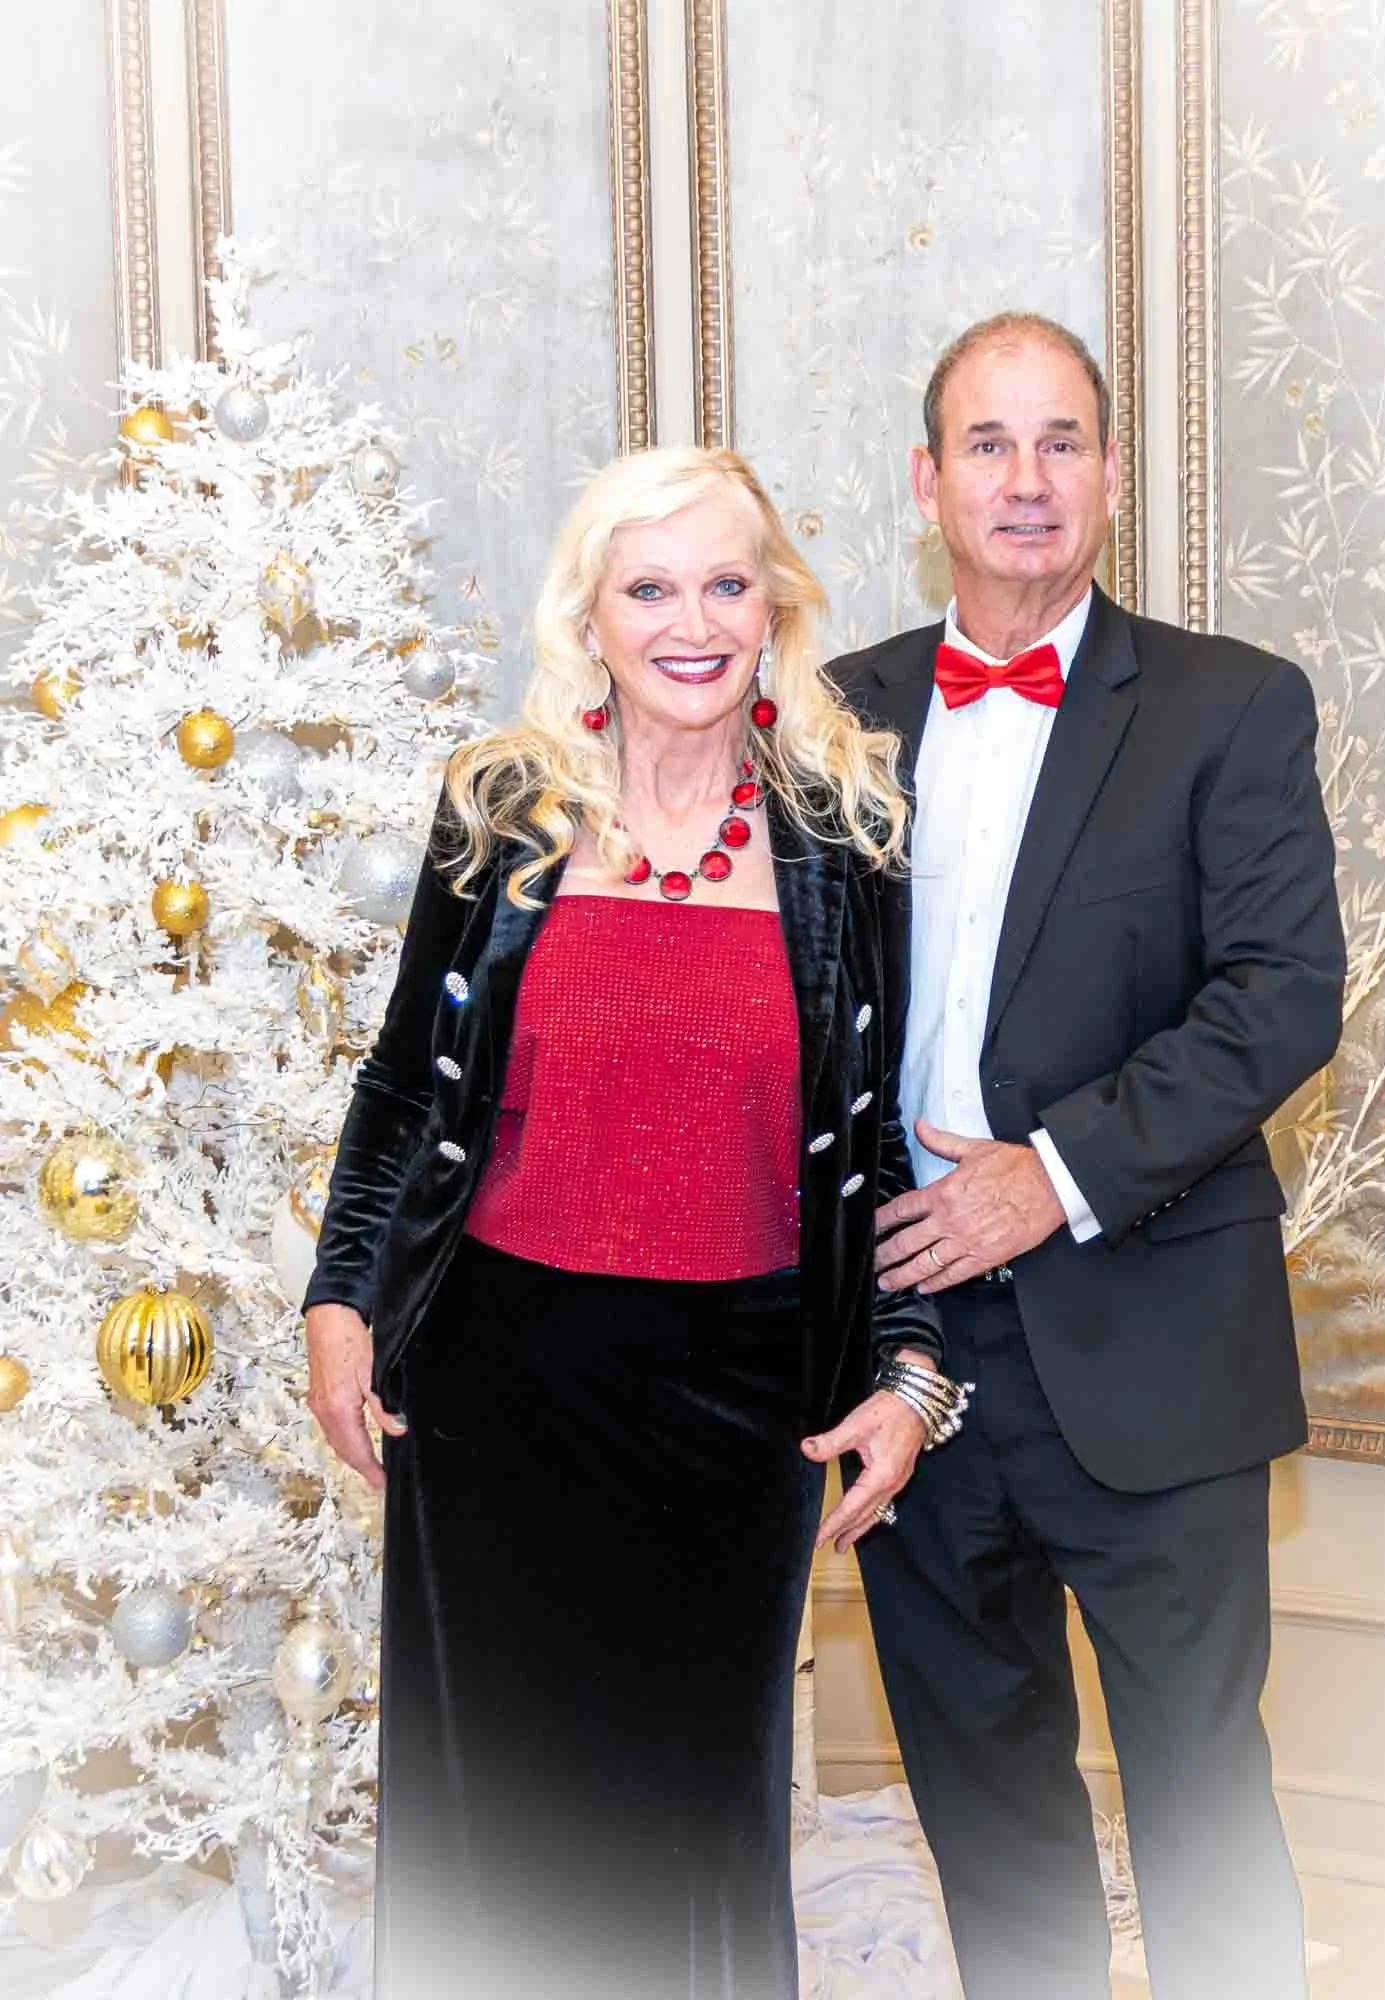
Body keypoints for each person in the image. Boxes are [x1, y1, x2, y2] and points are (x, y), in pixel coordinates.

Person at [300, 445, 958, 2000]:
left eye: (728, 583)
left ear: (774, 608)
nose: (691, 619)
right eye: (649, 585)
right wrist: (341, 1297)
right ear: (591, 614)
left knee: (694, 1829)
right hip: (494, 1384)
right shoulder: (500, 812)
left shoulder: (846, 835)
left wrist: (906, 1366)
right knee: (503, 1827)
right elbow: (406, 1084)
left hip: (740, 1408)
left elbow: (877, 1129)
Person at [833, 314, 1345, 2000]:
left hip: (1150, 1346)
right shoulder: (838, 716)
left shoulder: (1232, 705)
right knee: (986, 1812)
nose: (1027, 479)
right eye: (990, 443)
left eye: (1063, 442)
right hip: (911, 1352)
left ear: (1112, 477)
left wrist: (1042, 1177)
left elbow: (1283, 999)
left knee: (1201, 1815)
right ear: (930, 482)